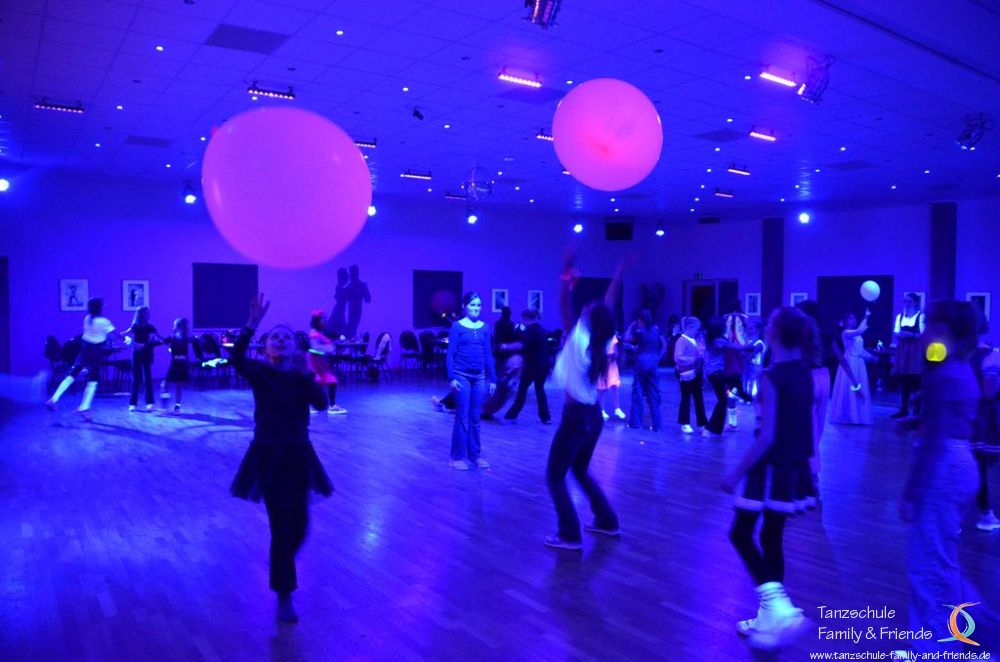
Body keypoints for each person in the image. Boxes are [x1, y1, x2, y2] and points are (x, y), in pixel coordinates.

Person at [230, 294, 333, 624]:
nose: (280, 339)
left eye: (286, 337)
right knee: (280, 527)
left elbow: (321, 404)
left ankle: (283, 562)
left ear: (294, 347)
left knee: (300, 527)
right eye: (274, 337)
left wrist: (308, 374)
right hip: (268, 455)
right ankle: (284, 594)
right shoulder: (260, 373)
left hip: (299, 454)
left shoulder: (301, 376)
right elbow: (235, 358)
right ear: (266, 349)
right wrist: (252, 323)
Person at [721, 307, 815, 648]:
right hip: (793, 468)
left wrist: (735, 472)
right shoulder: (805, 373)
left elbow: (767, 436)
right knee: (772, 537)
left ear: (773, 334)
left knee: (740, 533)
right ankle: (768, 618)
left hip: (770, 468)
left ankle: (781, 609)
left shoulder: (771, 377)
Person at [898, 300, 979, 656]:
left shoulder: (945, 373)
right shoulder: (959, 367)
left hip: (944, 466)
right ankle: (949, 643)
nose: (924, 333)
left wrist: (910, 492)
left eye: (928, 326)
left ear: (942, 329)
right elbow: (955, 419)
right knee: (941, 559)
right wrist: (917, 420)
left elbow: (934, 442)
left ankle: (934, 649)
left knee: (927, 564)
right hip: (961, 462)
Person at [544, 251, 623, 550]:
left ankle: (569, 534)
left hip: (576, 418)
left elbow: (563, 303)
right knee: (578, 470)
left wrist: (566, 273)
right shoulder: (601, 340)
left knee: (554, 477)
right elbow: (609, 303)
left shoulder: (579, 337)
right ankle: (607, 520)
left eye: (589, 307)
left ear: (589, 317)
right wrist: (618, 274)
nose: (587, 305)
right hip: (593, 417)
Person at [445, 292, 497, 470]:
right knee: (462, 417)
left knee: (475, 417)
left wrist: (493, 378)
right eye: (473, 305)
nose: (476, 308)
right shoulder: (457, 327)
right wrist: (451, 378)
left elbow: (488, 354)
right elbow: (450, 354)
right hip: (462, 376)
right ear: (464, 306)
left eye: (478, 305)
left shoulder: (484, 328)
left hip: (479, 377)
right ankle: (456, 457)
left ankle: (474, 456)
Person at [46, 297, 114, 421]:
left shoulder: (87, 318)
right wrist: (125, 338)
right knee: (93, 380)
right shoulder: (103, 321)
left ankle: (54, 399)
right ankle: (84, 408)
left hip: (84, 350)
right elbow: (113, 334)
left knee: (73, 374)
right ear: (99, 307)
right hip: (95, 352)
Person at [795, 300, 832, 495]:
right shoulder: (826, 333)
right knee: (818, 427)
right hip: (824, 377)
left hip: (807, 377)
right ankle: (812, 474)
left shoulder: (800, 332)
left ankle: (811, 473)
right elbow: (837, 356)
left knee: (807, 428)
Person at [971, 316, 1000, 531]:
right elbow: (990, 392)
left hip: (963, 416)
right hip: (983, 418)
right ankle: (985, 514)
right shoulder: (991, 357)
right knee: (979, 466)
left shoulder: (955, 354)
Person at [505, 308, 551, 423]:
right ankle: (546, 418)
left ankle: (511, 415)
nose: (521, 321)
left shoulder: (530, 330)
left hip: (532, 366)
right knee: (540, 390)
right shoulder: (542, 330)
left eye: (522, 318)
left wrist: (505, 346)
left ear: (527, 318)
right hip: (543, 366)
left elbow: (521, 345)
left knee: (522, 390)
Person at [829, 310, 873, 425]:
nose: (854, 320)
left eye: (854, 318)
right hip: (850, 362)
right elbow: (859, 331)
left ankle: (858, 416)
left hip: (859, 363)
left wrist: (870, 356)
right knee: (850, 387)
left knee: (860, 385)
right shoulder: (846, 332)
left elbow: (860, 350)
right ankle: (848, 416)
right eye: (851, 318)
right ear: (845, 321)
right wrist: (866, 316)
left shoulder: (856, 335)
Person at [625, 309, 666, 431]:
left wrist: (632, 325)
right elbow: (664, 345)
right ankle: (657, 425)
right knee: (653, 394)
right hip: (653, 364)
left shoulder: (640, 331)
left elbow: (627, 338)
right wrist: (658, 357)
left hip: (641, 363)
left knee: (637, 393)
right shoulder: (657, 330)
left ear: (640, 320)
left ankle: (635, 423)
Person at [704, 320, 745, 438]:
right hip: (717, 373)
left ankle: (715, 429)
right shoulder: (719, 341)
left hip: (715, 373)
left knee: (723, 400)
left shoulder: (712, 339)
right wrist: (752, 345)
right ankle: (710, 429)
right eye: (724, 326)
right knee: (723, 400)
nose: (725, 328)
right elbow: (738, 347)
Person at [890, 293, 926, 419]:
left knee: (915, 380)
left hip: (915, 351)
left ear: (915, 302)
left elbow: (924, 336)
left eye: (909, 301)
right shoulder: (900, 317)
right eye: (905, 301)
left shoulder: (920, 317)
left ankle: (917, 411)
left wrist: (910, 335)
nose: (907, 304)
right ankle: (903, 409)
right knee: (904, 380)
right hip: (903, 351)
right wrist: (899, 335)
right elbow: (896, 332)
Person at [307, 311, 347, 415]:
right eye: (322, 319)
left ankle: (318, 405)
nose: (325, 321)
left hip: (320, 361)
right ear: (317, 321)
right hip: (316, 362)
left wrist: (335, 341)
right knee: (329, 381)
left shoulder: (319, 332)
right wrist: (329, 348)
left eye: (325, 319)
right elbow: (314, 348)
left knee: (323, 382)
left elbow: (326, 342)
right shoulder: (314, 333)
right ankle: (330, 406)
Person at [123, 306, 160, 412]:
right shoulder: (135, 326)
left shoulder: (150, 327)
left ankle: (149, 403)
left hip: (147, 353)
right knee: (137, 379)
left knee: (148, 378)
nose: (149, 315)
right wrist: (121, 335)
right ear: (141, 315)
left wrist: (166, 341)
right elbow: (126, 332)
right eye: (147, 313)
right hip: (137, 354)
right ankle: (133, 403)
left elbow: (158, 336)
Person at [675, 316, 708, 433]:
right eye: (696, 328)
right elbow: (679, 358)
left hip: (697, 371)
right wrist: (694, 359)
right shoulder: (681, 340)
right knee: (686, 397)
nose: (697, 331)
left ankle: (702, 423)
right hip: (686, 372)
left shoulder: (696, 339)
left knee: (699, 397)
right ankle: (685, 423)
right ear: (689, 327)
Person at [161, 318, 196, 414]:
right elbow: (163, 342)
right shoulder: (176, 337)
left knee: (171, 385)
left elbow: (166, 342)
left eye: (175, 325)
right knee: (172, 385)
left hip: (180, 363)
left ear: (179, 326)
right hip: (177, 363)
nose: (173, 326)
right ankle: (170, 408)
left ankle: (170, 408)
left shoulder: (182, 337)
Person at [598, 333, 627, 422]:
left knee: (614, 386)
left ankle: (617, 409)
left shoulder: (612, 336)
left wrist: (612, 357)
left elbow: (616, 352)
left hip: (612, 366)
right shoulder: (598, 335)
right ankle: (601, 410)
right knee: (602, 388)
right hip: (602, 365)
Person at [344, 265, 371, 340]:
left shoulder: (361, 286)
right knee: (350, 330)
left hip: (356, 311)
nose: (351, 275)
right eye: (351, 273)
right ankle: (346, 340)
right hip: (351, 312)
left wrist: (362, 291)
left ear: (357, 273)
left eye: (353, 273)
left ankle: (347, 340)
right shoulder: (349, 286)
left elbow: (368, 299)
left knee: (351, 329)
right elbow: (343, 300)